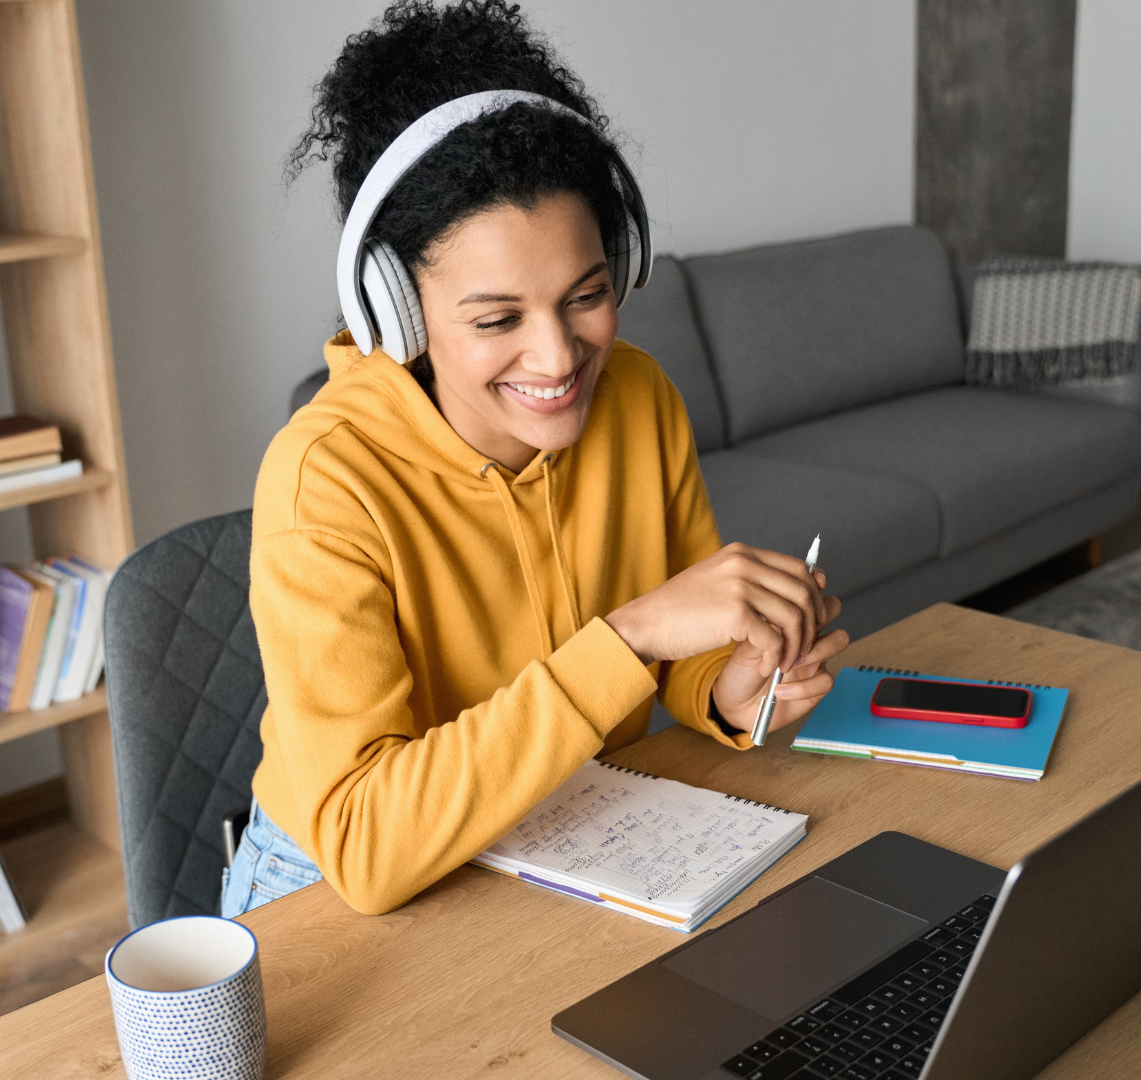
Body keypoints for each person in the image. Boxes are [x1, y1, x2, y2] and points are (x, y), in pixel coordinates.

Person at [224, 0, 850, 919]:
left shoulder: (638, 396)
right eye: (495, 320)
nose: (559, 358)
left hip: (569, 827)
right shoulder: (326, 479)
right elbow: (364, 841)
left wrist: (728, 683)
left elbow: (679, 653)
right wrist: (629, 637)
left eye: (587, 295)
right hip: (337, 887)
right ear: (396, 314)